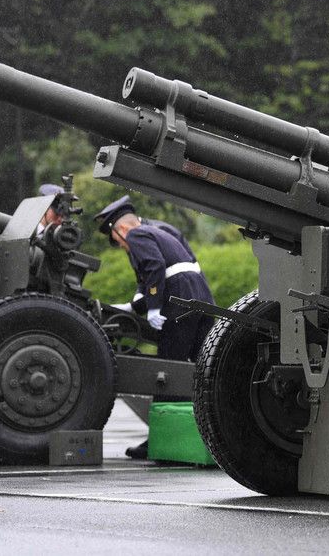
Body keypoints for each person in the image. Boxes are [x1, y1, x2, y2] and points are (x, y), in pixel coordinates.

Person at [95, 196, 215, 460]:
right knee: (205, 367)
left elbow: (154, 267)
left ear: (121, 229)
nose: (122, 246)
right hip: (201, 299)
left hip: (178, 305)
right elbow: (168, 270)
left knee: (167, 372)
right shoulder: (163, 230)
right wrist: (135, 306)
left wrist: (153, 307)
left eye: (117, 240)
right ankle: (213, 432)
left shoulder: (136, 235)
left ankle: (161, 438)